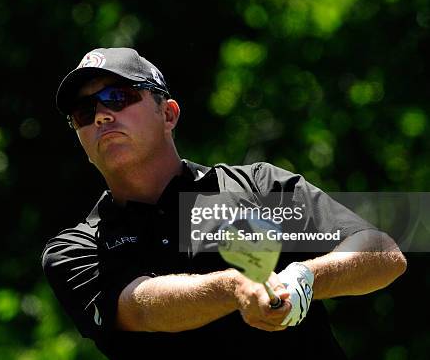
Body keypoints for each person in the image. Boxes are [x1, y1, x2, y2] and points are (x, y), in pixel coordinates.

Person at [41, 47, 407, 359]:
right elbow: (141, 308)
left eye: (118, 97)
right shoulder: (77, 247)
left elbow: (382, 253)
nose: (102, 116)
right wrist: (235, 288)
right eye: (84, 113)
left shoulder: (259, 187)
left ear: (167, 114)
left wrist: (305, 279)